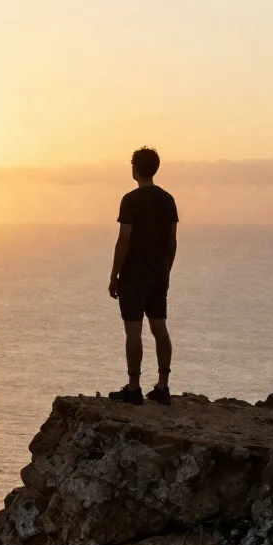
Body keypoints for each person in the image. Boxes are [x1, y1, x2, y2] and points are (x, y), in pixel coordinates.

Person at [107, 147, 178, 406]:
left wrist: (115, 274)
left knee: (133, 331)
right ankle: (163, 385)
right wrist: (166, 269)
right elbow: (172, 240)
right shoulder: (168, 199)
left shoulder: (130, 200)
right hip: (159, 272)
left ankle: (134, 387)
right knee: (160, 327)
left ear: (135, 168)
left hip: (134, 274)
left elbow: (124, 237)